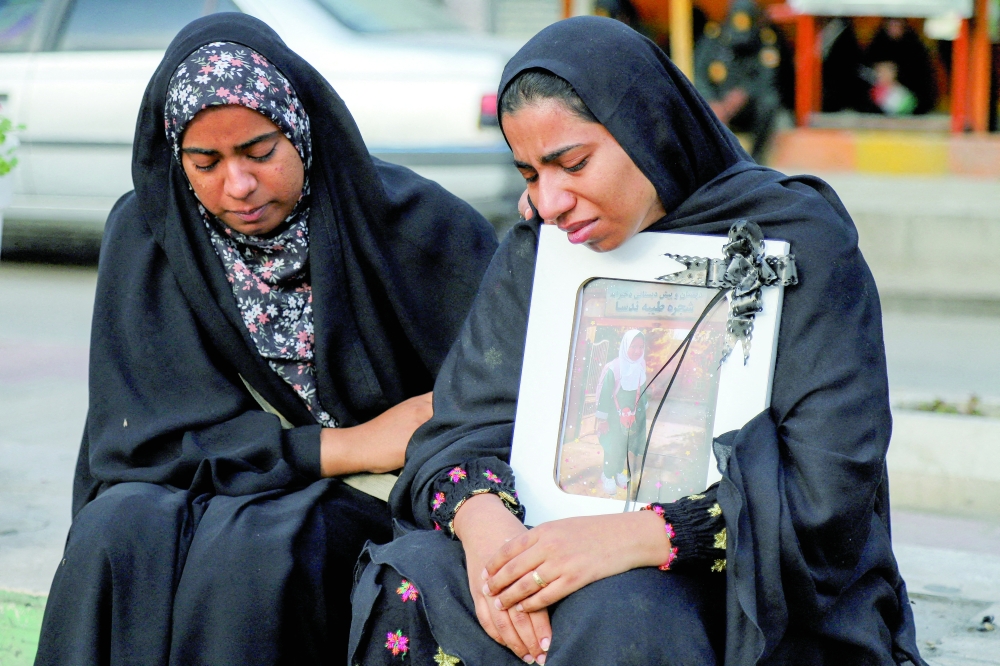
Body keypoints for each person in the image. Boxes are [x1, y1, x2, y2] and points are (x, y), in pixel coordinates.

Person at [350, 16, 926, 666]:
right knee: (420, 572)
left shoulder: (792, 242)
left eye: (572, 164)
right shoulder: (540, 252)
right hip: (549, 541)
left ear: (645, 129)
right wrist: (490, 535)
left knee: (624, 606)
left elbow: (827, 487)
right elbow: (462, 429)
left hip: (744, 574)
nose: (549, 201)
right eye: (530, 173)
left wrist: (629, 538)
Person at [33, 13, 497, 666]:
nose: (239, 187)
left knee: (258, 548)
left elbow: (492, 400)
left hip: (369, 502)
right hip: (208, 485)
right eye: (206, 162)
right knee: (112, 534)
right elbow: (139, 444)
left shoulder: (418, 228)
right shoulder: (147, 235)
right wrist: (345, 444)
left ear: (301, 128)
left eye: (259, 152)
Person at [694, 0, 782, 162]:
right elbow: (699, 75)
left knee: (770, 101)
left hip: (747, 108)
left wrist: (745, 93)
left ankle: (756, 159)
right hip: (717, 105)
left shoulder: (764, 41)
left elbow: (767, 79)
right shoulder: (713, 39)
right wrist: (712, 101)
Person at [595, 329, 648, 495]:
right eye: (633, 346)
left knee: (625, 446)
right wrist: (602, 419)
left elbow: (643, 389)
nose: (637, 351)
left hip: (631, 416)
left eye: (640, 347)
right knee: (613, 446)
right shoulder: (614, 368)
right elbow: (605, 394)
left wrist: (641, 411)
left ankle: (618, 472)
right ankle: (607, 474)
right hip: (613, 416)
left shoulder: (640, 365)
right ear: (625, 346)